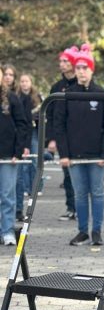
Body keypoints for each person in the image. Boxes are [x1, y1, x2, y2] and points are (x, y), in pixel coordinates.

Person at [54, 44, 104, 246]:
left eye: (84, 68)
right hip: (74, 155)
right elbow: (59, 126)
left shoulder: (102, 93)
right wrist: (64, 153)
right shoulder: (67, 94)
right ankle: (82, 231)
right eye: (78, 68)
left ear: (91, 70)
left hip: (97, 155)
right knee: (80, 193)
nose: (81, 72)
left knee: (97, 192)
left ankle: (96, 231)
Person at [47, 46, 79, 222]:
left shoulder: (82, 85)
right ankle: (71, 207)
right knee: (67, 175)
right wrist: (51, 138)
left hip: (81, 138)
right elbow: (51, 115)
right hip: (63, 137)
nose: (62, 64)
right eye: (61, 61)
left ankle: (81, 208)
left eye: (66, 61)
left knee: (81, 176)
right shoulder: (56, 87)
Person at [0, 67, 29, 246]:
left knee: (7, 195)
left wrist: (17, 152)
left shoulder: (12, 98)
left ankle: (8, 230)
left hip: (8, 156)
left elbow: (22, 125)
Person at [15, 73, 43, 222]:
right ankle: (18, 206)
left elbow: (42, 115)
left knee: (34, 162)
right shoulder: (16, 96)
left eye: (27, 81)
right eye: (22, 81)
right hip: (20, 132)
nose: (24, 83)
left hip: (33, 131)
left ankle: (36, 186)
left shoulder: (36, 97)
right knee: (21, 170)